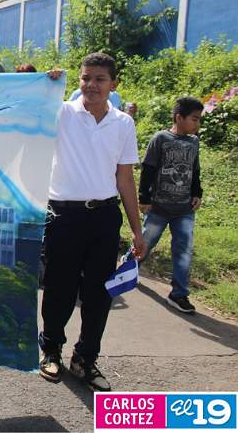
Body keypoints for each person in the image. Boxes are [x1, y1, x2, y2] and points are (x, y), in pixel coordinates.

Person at [39, 52, 146, 392]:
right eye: (86, 78)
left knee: (99, 293)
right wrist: (45, 84)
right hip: (64, 216)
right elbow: (24, 108)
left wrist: (137, 230)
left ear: (113, 84)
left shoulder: (123, 124)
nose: (91, 85)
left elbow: (125, 178)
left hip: (103, 217)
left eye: (100, 79)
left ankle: (85, 359)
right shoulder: (61, 113)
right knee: (59, 287)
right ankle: (51, 350)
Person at [139, 96, 204, 314]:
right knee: (146, 242)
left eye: (199, 119)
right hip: (158, 207)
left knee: (184, 249)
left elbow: (195, 170)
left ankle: (179, 294)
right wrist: (144, 198)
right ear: (179, 117)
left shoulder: (194, 142)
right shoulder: (160, 139)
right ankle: (130, 267)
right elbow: (148, 169)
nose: (197, 124)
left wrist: (197, 193)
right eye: (194, 119)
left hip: (184, 208)